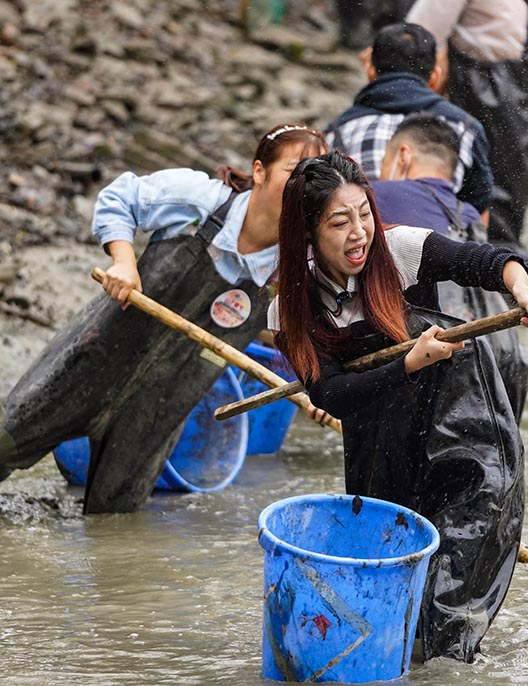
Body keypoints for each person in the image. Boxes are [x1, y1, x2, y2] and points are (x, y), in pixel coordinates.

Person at [269, 151, 528, 661]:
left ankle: (451, 661)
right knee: (393, 562)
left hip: (461, 420)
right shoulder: (291, 305)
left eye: (364, 214)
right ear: (309, 235)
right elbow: (329, 394)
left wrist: (521, 288)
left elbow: (486, 262)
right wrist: (407, 363)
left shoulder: (401, 249)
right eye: (340, 222)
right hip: (378, 439)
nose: (359, 232)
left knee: (468, 540)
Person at [0, 124, 328, 514]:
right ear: (259, 171)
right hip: (83, 370)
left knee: (113, 528)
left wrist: (322, 392)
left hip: (154, 417)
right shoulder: (200, 201)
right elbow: (120, 197)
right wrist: (124, 261)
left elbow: (316, 339)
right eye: (293, 173)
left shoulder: (293, 272)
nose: (300, 189)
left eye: (313, 179)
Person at [372, 112, 528, 420]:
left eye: (384, 160)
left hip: (419, 354)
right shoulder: (469, 215)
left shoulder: (375, 197)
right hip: (481, 358)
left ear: (403, 156)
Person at [406, 0, 528, 244]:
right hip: (487, 90)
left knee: (515, 193)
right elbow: (416, 37)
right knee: (496, 197)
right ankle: (496, 261)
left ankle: (499, 258)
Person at [327, 21, 493, 219]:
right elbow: (478, 213)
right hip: (441, 246)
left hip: (362, 246)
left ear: (371, 70)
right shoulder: (466, 128)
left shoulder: (336, 132)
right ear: (435, 77)